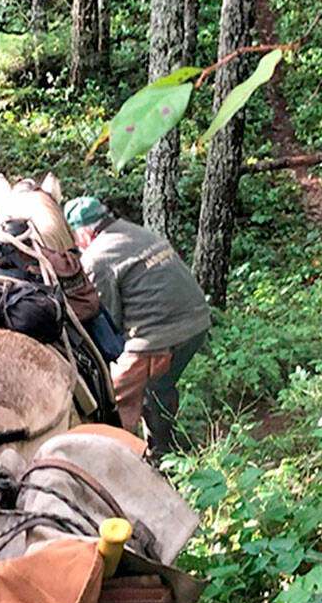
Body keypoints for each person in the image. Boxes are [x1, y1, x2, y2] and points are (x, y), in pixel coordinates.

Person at [64, 195, 211, 454]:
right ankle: (166, 450)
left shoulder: (96, 257)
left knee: (114, 398)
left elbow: (108, 320)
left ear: (83, 235)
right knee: (159, 387)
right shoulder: (136, 231)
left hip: (157, 338)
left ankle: (120, 458)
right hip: (197, 324)